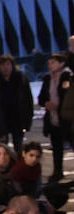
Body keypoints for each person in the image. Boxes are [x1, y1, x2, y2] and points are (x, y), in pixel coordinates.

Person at [40, 52, 73, 181]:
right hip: (52, 118)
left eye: (53, 62)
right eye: (49, 63)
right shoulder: (47, 78)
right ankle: (58, 171)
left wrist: (58, 107)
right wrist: (46, 103)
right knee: (56, 147)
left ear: (62, 63)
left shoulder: (68, 76)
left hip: (67, 117)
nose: (50, 65)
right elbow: (42, 97)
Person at [0, 53, 34, 151]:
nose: (6, 67)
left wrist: (28, 119)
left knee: (19, 146)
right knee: (3, 147)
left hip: (18, 118)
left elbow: (28, 99)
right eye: (3, 65)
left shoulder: (20, 78)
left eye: (8, 64)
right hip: (1, 119)